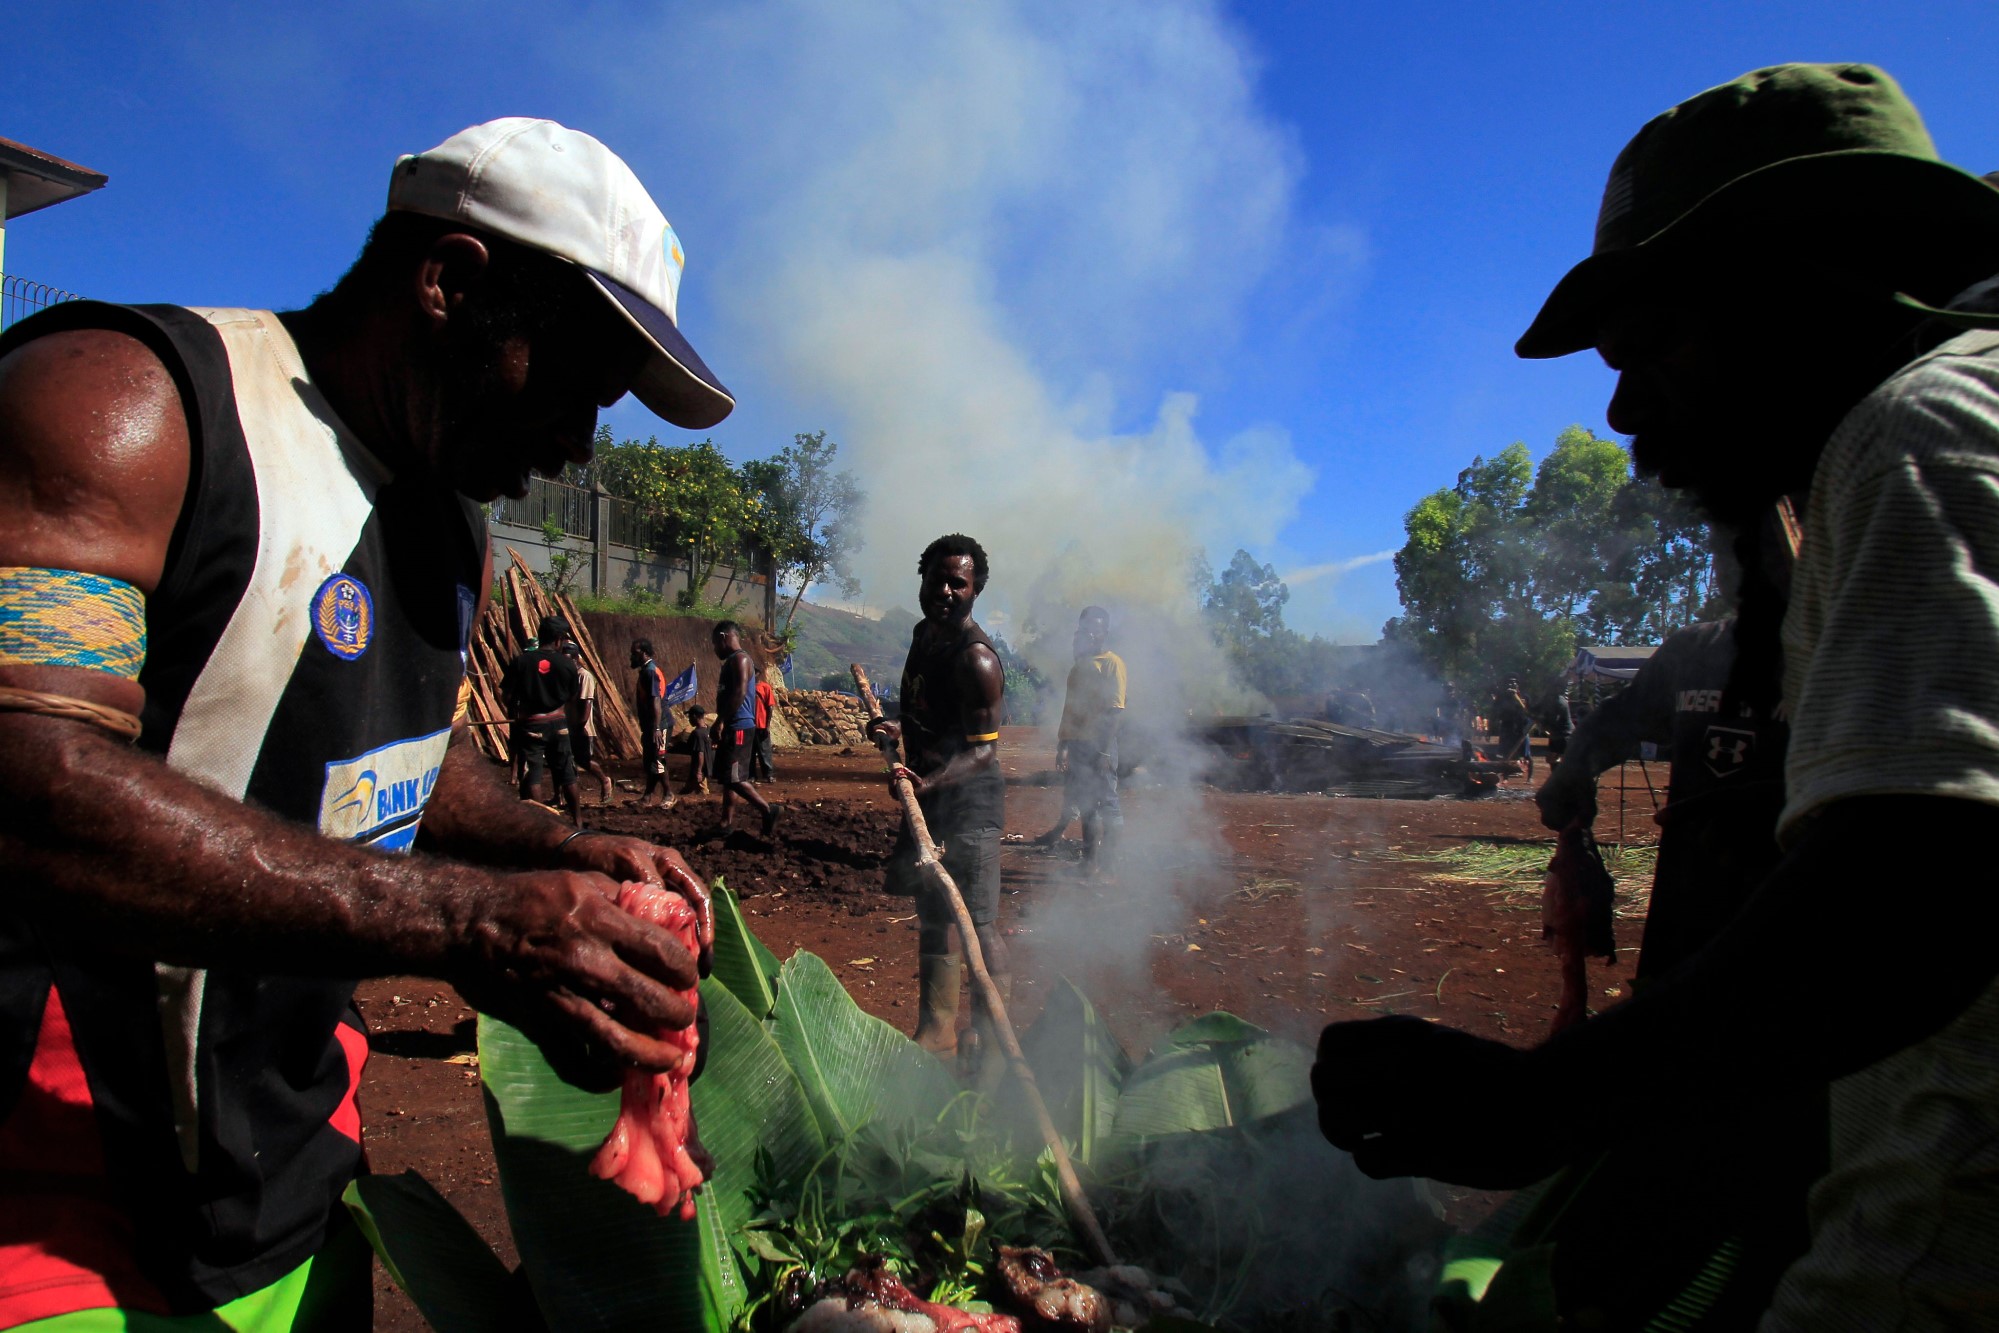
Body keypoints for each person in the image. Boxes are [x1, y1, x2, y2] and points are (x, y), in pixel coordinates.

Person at [0, 117, 731, 1328]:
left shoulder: (447, 522)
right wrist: (460, 920)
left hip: (292, 1177)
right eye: (569, 381)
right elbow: (26, 779)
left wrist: (541, 846)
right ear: (448, 284)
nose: (577, 442)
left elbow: (398, 749)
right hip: (59, 1215)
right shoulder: (136, 412)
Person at [1313, 65, 1999, 1331]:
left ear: (1802, 281)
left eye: (1653, 349)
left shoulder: (1918, 435)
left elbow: (1911, 895)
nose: (1625, 412)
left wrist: (1540, 1106)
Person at [863, 535, 1007, 1063]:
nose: (945, 591)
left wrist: (925, 783)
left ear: (977, 590)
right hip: (927, 800)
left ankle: (994, 1041)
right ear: (922, 580)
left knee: (979, 925)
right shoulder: (925, 635)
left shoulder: (978, 660)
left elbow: (982, 755)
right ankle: (938, 1030)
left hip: (970, 808)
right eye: (937, 580)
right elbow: (929, 710)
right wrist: (895, 726)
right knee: (934, 917)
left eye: (958, 583)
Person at [1030, 606, 1126, 878]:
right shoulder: (1079, 666)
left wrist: (1105, 752)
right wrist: (1063, 745)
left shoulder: (1112, 664)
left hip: (1101, 745)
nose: (1090, 634)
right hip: (1079, 745)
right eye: (1085, 628)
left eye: (1095, 629)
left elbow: (1115, 712)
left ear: (1105, 632)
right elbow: (1070, 709)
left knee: (1108, 802)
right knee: (1086, 804)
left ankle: (1109, 865)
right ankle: (1089, 862)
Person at [504, 614, 581, 824]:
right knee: (567, 774)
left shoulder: (521, 661)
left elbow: (507, 696)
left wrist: (517, 711)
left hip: (532, 724)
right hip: (558, 724)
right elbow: (573, 697)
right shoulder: (567, 665)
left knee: (532, 775)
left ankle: (543, 823)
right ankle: (578, 821)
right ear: (558, 639)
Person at [711, 620, 776, 837]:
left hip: (739, 726)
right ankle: (726, 822)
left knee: (734, 778)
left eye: (715, 643)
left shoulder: (740, 659)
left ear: (723, 637)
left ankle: (768, 810)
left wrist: (720, 720)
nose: (714, 649)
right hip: (734, 725)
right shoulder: (733, 660)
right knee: (729, 776)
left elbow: (738, 693)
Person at [563, 637, 615, 805]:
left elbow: (587, 704)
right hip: (568, 726)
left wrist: (579, 726)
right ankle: (561, 796)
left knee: (583, 761)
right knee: (564, 761)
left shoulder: (584, 677)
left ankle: (604, 780)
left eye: (568, 660)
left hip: (581, 728)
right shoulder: (568, 677)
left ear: (576, 658)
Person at [630, 637, 675, 809]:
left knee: (658, 759)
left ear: (644, 652)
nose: (632, 656)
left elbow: (656, 701)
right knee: (650, 760)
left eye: (634, 653)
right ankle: (647, 797)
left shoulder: (650, 672)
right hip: (652, 725)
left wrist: (656, 728)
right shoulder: (646, 671)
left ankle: (669, 794)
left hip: (660, 725)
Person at [1492, 675, 1534, 778]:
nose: (1511, 684)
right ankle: (1504, 775)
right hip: (1507, 727)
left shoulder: (1524, 696)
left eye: (1514, 682)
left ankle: (1530, 777)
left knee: (1526, 754)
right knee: (1504, 754)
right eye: (1509, 682)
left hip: (1522, 728)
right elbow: (1494, 712)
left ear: (1517, 684)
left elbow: (1530, 712)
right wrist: (1490, 728)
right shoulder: (1501, 697)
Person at [682, 704, 714, 796]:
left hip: (700, 768)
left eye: (690, 717)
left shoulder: (697, 733)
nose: (689, 719)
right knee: (688, 788)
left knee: (703, 792)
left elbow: (700, 753)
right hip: (706, 767)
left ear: (694, 716)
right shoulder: (709, 729)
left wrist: (699, 771)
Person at [753, 672, 778, 782]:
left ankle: (768, 774)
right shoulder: (746, 687)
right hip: (749, 725)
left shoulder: (765, 687)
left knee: (764, 751)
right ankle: (751, 775)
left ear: (758, 673)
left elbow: (770, 707)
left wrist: (767, 725)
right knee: (750, 752)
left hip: (761, 724)